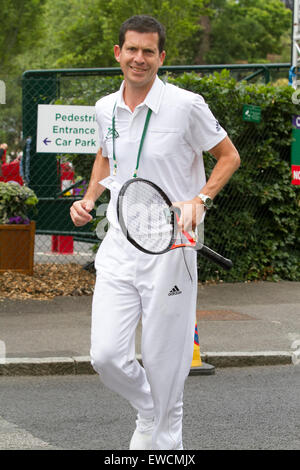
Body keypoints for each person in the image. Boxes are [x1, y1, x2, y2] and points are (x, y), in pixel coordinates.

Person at [70, 15, 240, 450]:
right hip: (119, 243)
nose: (139, 58)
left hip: (172, 249)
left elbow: (228, 157)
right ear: (118, 53)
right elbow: (105, 157)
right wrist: (89, 200)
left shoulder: (187, 105)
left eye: (149, 51)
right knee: (106, 356)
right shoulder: (105, 107)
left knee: (166, 365)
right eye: (132, 49)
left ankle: (163, 441)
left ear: (161, 57)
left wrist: (198, 200)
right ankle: (151, 411)